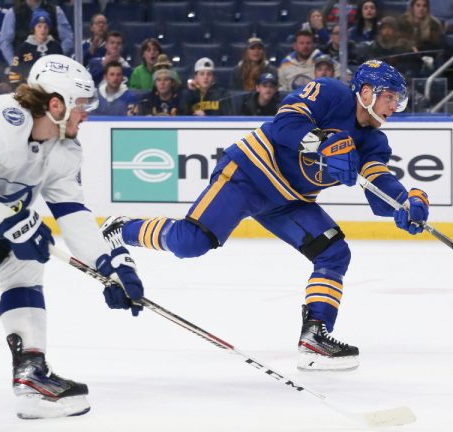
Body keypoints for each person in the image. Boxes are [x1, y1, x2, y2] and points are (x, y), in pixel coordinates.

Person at [100, 60, 427, 372]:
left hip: (289, 202)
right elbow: (285, 122)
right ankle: (123, 229)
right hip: (249, 173)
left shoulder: (374, 142)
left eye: (397, 99)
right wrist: (321, 142)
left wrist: (405, 203)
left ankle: (315, 337)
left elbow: (379, 187)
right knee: (190, 242)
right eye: (390, 97)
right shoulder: (330, 92)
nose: (394, 106)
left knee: (334, 252)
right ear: (367, 92)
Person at [0, 55, 144, 430]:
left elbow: (72, 213)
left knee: (26, 265)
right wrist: (14, 225)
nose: (85, 115)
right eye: (81, 105)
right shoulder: (0, 122)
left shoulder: (63, 149)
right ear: (57, 104)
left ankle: (31, 377)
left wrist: (109, 266)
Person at [0, 0, 73, 65]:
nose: (42, 30)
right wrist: (15, 65)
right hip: (24, 65)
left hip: (52, 67)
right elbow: (5, 42)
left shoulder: (56, 11)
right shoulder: (13, 13)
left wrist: (57, 59)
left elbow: (68, 39)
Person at [10, 9, 63, 82]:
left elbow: (63, 71)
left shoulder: (56, 47)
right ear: (33, 28)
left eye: (46, 27)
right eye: (39, 26)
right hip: (29, 89)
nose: (43, 30)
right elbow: (14, 73)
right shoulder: (22, 48)